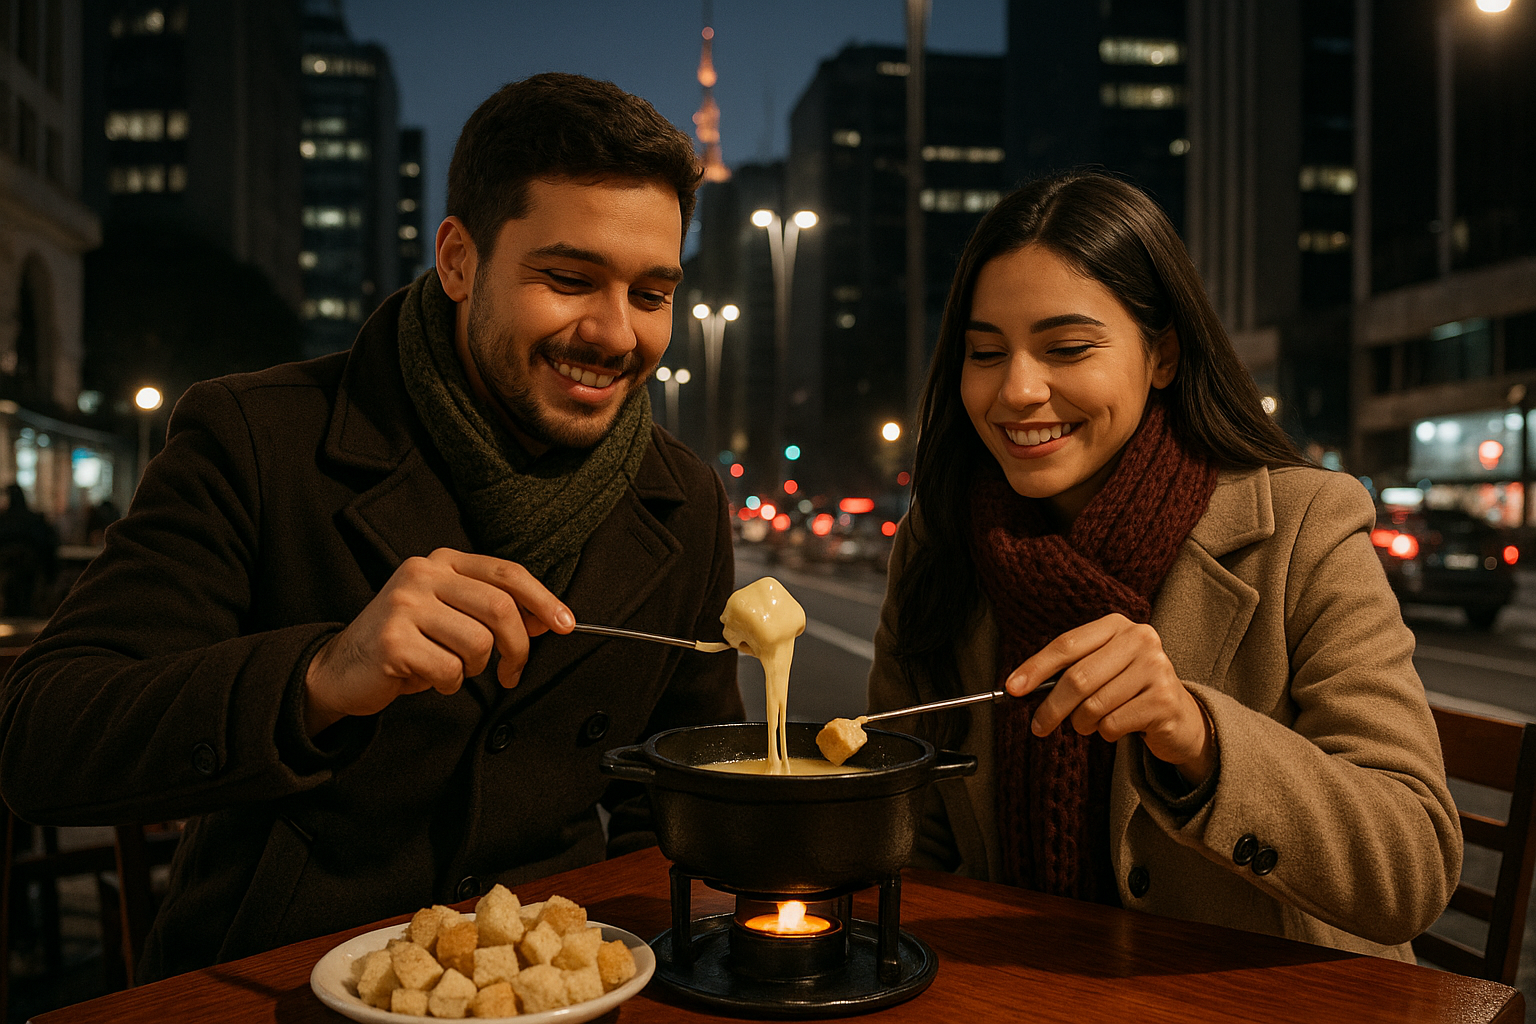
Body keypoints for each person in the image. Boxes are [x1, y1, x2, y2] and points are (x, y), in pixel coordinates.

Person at [0, 73, 743, 981]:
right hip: (273, 978)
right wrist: (320, 675)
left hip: (553, 985)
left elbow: (673, 800)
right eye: (568, 279)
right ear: (458, 261)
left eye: (651, 295)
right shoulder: (258, 437)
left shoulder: (682, 498)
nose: (617, 333)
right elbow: (40, 741)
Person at [868, 171, 1459, 961]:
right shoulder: (939, 542)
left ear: (1164, 355)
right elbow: (909, 840)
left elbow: (1414, 866)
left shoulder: (1303, 526)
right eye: (985, 352)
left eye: (1067, 348)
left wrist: (1199, 735)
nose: (1018, 390)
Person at [0, 483, 58, 616]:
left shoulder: (4, 521)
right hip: (31, 571)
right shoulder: (35, 520)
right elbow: (48, 545)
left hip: (8, 570)